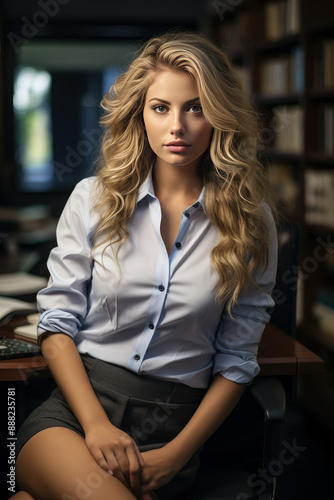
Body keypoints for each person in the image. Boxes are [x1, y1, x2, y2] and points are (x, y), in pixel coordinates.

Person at [11, 30, 278, 500]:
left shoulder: (251, 222)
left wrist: (176, 455)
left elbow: (237, 360)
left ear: (218, 116)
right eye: (161, 108)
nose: (178, 126)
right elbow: (56, 325)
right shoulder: (92, 200)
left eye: (195, 107)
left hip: (170, 434)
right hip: (75, 415)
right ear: (140, 115)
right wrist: (96, 428)